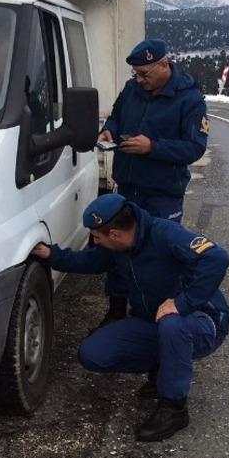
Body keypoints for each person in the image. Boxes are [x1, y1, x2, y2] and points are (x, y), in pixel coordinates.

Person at [31, 193, 229, 442]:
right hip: (153, 321)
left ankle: (174, 407)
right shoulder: (118, 246)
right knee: (93, 354)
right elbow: (90, 261)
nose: (95, 240)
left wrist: (183, 303)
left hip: (202, 320)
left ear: (114, 234)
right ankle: (165, 366)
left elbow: (216, 258)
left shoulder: (166, 234)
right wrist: (51, 255)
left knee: (172, 325)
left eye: (97, 236)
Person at [95, 38, 209, 329]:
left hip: (163, 194)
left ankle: (158, 318)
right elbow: (117, 117)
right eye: (136, 74)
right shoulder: (133, 89)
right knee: (119, 252)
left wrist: (153, 148)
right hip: (129, 187)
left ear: (163, 64)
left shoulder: (189, 98)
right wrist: (109, 131)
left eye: (145, 73)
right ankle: (117, 312)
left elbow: (194, 148)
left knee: (159, 258)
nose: (139, 80)